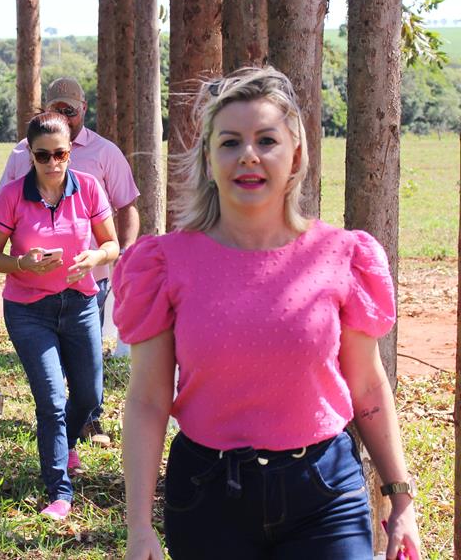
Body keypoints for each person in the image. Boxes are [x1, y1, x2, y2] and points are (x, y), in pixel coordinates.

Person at [114, 67, 421, 560]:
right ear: (209, 159)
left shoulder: (343, 255)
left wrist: (400, 498)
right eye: (230, 142)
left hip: (325, 493)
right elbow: (148, 401)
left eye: (266, 140)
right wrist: (138, 527)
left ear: (295, 153)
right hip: (207, 496)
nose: (248, 156)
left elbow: (367, 385)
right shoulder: (164, 263)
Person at [0, 77, 140, 446]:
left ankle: (87, 421)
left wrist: (120, 254)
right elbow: (1, 200)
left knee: (86, 368)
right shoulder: (22, 151)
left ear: (84, 109)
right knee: (57, 371)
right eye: (57, 109)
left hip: (90, 280)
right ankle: (62, 440)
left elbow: (126, 205)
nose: (52, 161)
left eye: (72, 109)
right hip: (32, 289)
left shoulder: (104, 152)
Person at [0, 111, 119, 520]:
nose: (53, 163)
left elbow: (111, 245)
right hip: (28, 312)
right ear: (31, 157)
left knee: (89, 396)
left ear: (71, 152)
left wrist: (95, 255)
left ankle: (68, 443)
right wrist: (22, 264)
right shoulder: (11, 196)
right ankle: (60, 491)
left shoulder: (89, 189)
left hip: (79, 305)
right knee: (52, 401)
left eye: (60, 153)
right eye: (43, 156)